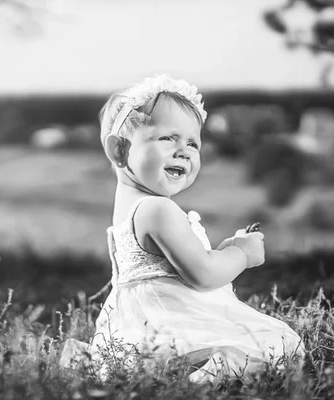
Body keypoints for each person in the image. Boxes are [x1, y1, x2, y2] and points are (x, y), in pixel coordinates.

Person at [59, 75, 304, 383]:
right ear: (120, 150)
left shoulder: (131, 205)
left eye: (192, 143)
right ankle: (211, 373)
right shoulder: (158, 209)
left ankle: (162, 372)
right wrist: (241, 254)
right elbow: (202, 275)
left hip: (139, 330)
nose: (183, 151)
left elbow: (171, 268)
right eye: (167, 138)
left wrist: (220, 250)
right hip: (170, 326)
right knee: (277, 346)